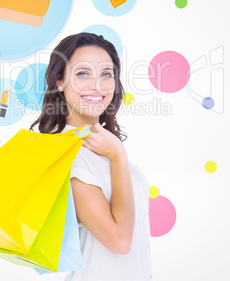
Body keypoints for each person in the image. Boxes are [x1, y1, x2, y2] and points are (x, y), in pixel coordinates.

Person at [29, 32, 153, 280]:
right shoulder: (69, 155)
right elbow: (119, 241)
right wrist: (118, 156)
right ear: (59, 82)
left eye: (106, 74)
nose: (97, 85)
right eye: (82, 73)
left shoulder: (103, 146)